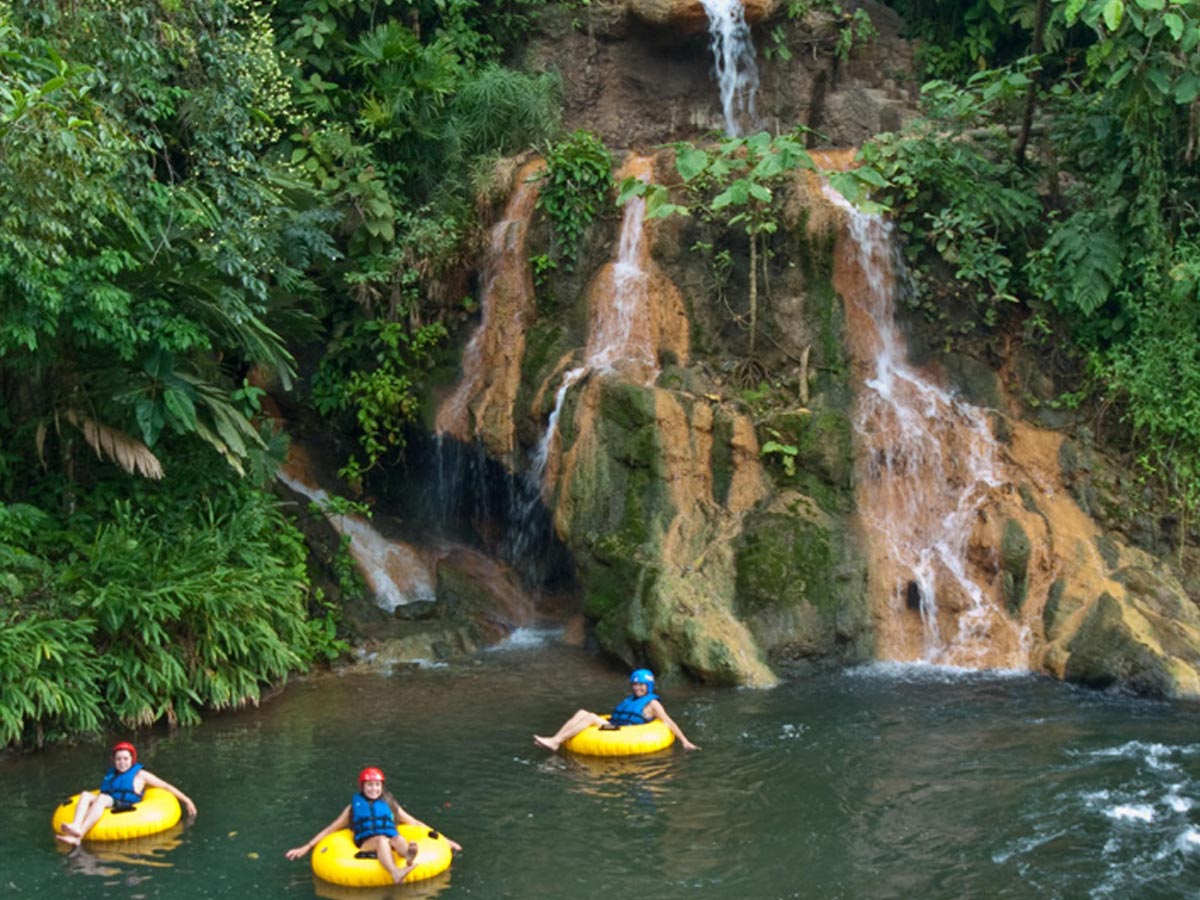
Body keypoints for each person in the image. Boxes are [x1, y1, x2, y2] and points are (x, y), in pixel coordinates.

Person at [285, 767, 462, 884]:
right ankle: (395, 872)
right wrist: (306, 847)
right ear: (363, 787)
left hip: (389, 839)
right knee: (381, 840)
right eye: (370, 785)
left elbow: (415, 823)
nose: (373, 789)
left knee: (397, 837)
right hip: (366, 843)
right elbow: (332, 828)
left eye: (377, 785)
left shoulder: (389, 803)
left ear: (382, 787)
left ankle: (408, 855)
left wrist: (446, 841)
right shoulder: (353, 808)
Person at [56, 741, 198, 845]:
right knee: (86, 795)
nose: (122, 762)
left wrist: (187, 800)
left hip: (125, 804)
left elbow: (165, 786)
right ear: (114, 761)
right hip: (111, 799)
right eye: (118, 759)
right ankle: (75, 825)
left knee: (102, 798)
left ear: (132, 760)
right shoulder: (113, 774)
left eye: (125, 759)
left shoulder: (140, 774)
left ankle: (79, 835)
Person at [533, 668, 699, 752]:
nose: (637, 688)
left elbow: (668, 721)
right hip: (614, 726)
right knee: (583, 712)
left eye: (641, 685)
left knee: (590, 717)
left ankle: (555, 742)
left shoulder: (653, 704)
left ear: (648, 686)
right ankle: (556, 739)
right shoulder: (632, 699)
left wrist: (684, 741)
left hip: (624, 731)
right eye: (635, 684)